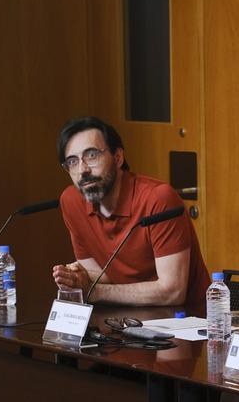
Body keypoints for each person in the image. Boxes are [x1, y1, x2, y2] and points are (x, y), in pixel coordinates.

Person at [51, 116, 210, 314]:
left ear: (118, 157)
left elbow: (173, 291)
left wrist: (92, 291)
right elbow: (101, 277)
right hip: (123, 319)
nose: (82, 170)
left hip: (187, 322)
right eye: (72, 162)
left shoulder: (158, 198)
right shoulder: (71, 201)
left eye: (91, 155)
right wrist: (77, 280)